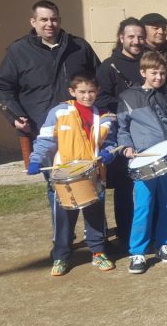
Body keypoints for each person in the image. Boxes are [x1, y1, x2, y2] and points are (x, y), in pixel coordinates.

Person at [26, 73, 118, 276]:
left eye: (91, 91)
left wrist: (108, 153)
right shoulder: (59, 112)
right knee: (64, 218)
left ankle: (98, 252)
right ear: (72, 92)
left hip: (93, 173)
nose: (87, 96)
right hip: (64, 174)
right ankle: (60, 256)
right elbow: (46, 139)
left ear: (98, 92)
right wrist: (35, 159)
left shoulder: (104, 116)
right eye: (82, 92)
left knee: (95, 216)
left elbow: (111, 142)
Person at [0, 0, 100, 167]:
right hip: (42, 129)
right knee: (55, 181)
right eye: (44, 19)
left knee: (88, 181)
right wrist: (15, 116)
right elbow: (2, 88)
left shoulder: (79, 47)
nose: (50, 24)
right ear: (33, 22)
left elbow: (98, 80)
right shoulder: (18, 51)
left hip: (80, 128)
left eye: (54, 19)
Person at [117, 51, 167, 275]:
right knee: (143, 206)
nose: (158, 77)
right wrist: (126, 147)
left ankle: (163, 243)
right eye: (154, 73)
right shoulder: (127, 97)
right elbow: (122, 129)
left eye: (162, 73)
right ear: (143, 72)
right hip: (143, 159)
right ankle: (137, 251)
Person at [96, 18, 147, 246]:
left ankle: (149, 231)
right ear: (121, 38)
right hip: (122, 135)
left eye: (139, 36)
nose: (136, 41)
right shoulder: (108, 66)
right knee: (125, 188)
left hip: (148, 133)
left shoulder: (148, 61)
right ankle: (126, 236)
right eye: (131, 36)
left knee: (149, 184)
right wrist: (128, 106)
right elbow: (101, 99)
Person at [140, 13, 167, 95]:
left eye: (164, 28)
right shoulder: (138, 54)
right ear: (143, 30)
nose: (161, 32)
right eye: (155, 28)